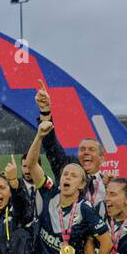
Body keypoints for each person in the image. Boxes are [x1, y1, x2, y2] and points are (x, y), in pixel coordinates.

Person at [24, 121, 112, 254]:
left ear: (81, 185)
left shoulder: (85, 209)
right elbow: (32, 164)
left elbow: (107, 243)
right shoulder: (50, 192)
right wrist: (39, 136)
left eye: (74, 176)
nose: (68, 177)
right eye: (65, 174)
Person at [34, 85, 107, 214]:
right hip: (66, 230)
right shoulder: (67, 167)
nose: (86, 152)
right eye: (82, 149)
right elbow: (51, 145)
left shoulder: (108, 184)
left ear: (102, 158)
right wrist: (45, 112)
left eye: (91, 149)